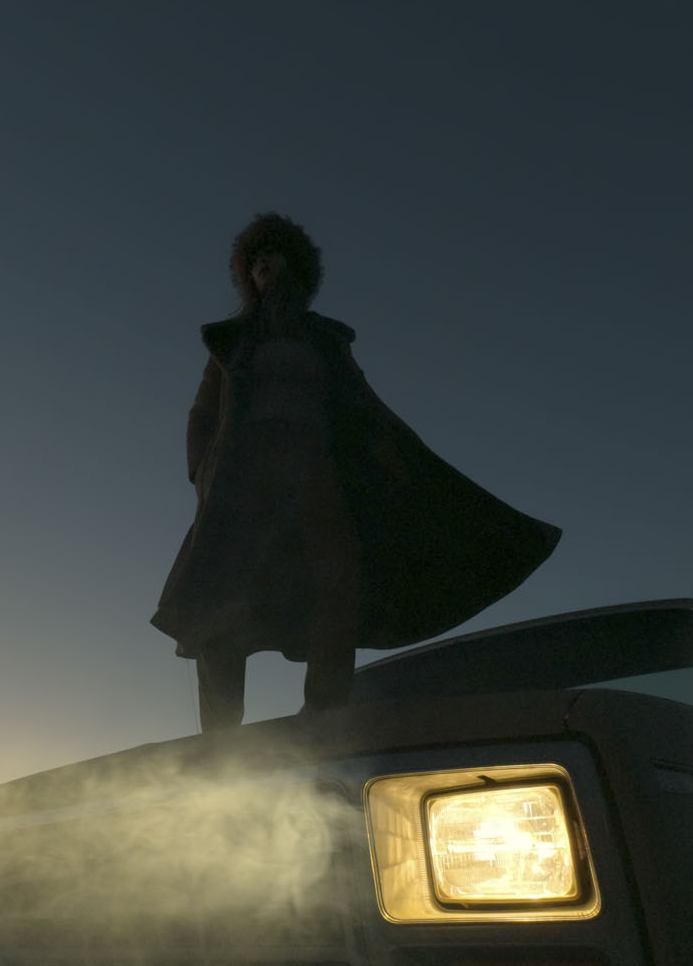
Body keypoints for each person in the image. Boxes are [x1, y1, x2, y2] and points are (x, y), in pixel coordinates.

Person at [152, 213, 561, 730]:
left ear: (294, 265)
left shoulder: (326, 340)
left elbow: (362, 403)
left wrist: (393, 458)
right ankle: (220, 732)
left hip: (315, 466)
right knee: (225, 588)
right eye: (253, 262)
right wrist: (201, 469)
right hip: (242, 474)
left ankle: (325, 708)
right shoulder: (232, 340)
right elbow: (203, 413)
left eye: (271, 256)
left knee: (336, 574)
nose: (262, 267)